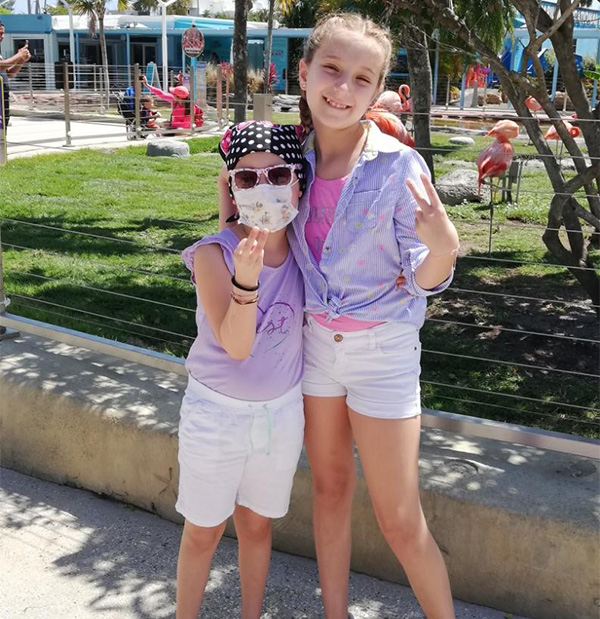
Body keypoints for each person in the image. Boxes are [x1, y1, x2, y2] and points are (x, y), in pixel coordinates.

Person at [219, 13, 459, 619]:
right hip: (317, 348)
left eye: (361, 77)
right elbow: (265, 246)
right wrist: (233, 206)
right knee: (328, 490)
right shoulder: (288, 164)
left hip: (383, 354)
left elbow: (422, 278)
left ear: (376, 88)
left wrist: (445, 248)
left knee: (400, 521)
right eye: (331, 69)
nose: (342, 88)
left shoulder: (398, 168)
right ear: (302, 74)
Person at [176, 121, 307, 619]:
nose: (264, 187)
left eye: (277, 174)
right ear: (232, 186)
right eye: (247, 179)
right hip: (215, 416)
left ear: (299, 180)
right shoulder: (212, 255)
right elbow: (235, 345)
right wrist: (245, 283)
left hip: (280, 416)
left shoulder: (305, 254)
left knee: (257, 526)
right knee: (204, 531)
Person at [0, 22, 31, 133]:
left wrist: (21, 60)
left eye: (3, 33)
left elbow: (9, 73)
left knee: (3, 132)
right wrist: (18, 55)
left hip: (3, 100)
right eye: (0, 33)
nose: (2, 36)